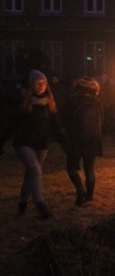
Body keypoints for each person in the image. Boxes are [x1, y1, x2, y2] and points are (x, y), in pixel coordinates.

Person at [11, 70, 63, 219]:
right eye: (38, 83)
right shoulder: (24, 102)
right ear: (32, 84)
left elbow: (56, 126)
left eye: (44, 83)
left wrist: (64, 141)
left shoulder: (49, 103)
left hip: (41, 143)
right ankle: (41, 204)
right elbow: (12, 124)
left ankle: (22, 204)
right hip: (24, 142)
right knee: (34, 169)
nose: (41, 85)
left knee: (31, 174)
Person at [63, 76, 103, 206]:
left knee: (71, 168)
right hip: (92, 139)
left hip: (76, 139)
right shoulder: (96, 102)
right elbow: (102, 121)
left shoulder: (72, 101)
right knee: (89, 169)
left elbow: (65, 120)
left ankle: (80, 191)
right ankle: (89, 196)